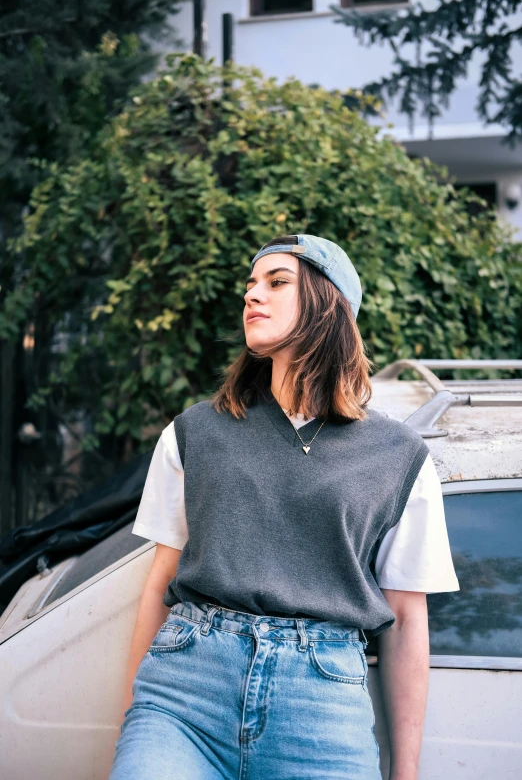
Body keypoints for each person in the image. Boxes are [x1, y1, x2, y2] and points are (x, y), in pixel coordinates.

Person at [109, 234, 459, 780]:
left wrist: (405, 771)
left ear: (329, 305)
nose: (252, 295)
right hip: (184, 697)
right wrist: (134, 715)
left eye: (276, 283)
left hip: (322, 712)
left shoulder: (400, 458)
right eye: (250, 284)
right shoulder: (193, 433)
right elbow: (161, 581)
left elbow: (408, 618)